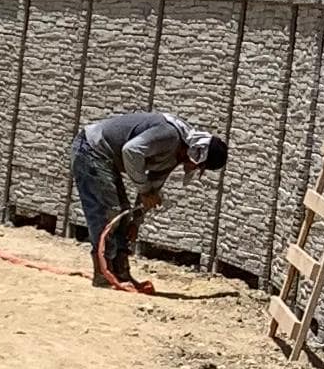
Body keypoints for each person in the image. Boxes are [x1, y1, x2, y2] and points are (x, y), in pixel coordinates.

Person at [69, 106, 228, 289]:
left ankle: (121, 272)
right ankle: (104, 273)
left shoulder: (174, 157)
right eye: (199, 165)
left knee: (122, 213)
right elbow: (131, 151)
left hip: (104, 157)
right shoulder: (169, 136)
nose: (193, 168)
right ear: (196, 152)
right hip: (90, 150)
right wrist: (145, 190)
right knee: (109, 212)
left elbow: (153, 187)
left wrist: (136, 223)